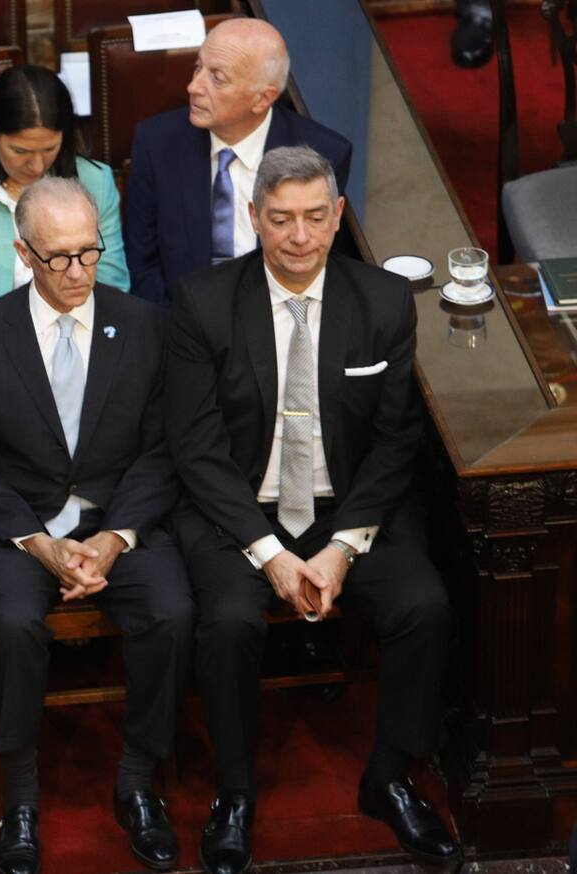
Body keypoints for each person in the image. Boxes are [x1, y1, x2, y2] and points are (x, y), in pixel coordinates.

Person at [165, 146, 459, 872]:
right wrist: (269, 554)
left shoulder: (384, 302)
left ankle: (390, 776)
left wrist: (341, 548)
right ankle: (234, 793)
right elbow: (196, 449)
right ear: (256, 220)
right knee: (230, 621)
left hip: (348, 509)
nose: (299, 236)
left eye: (314, 218)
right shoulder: (202, 303)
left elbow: (396, 444)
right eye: (282, 219)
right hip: (240, 512)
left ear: (337, 219)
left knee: (424, 604)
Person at [0, 177, 194, 874]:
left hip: (118, 520)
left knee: (173, 612)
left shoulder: (146, 324)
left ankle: (139, 783)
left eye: (90, 252)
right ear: (23, 253)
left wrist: (114, 538)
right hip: (18, 528)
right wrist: (39, 541)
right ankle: (19, 797)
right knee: (14, 627)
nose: (78, 272)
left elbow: (161, 448)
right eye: (59, 257)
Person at [125, 18, 352, 305]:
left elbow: (316, 267)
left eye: (217, 78)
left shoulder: (325, 154)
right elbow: (143, 264)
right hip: (180, 326)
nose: (193, 87)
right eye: (198, 67)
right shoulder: (156, 143)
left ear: (262, 99)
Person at [0, 64, 129, 322]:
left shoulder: (95, 182)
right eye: (21, 151)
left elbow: (112, 288)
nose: (37, 166)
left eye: (50, 148)